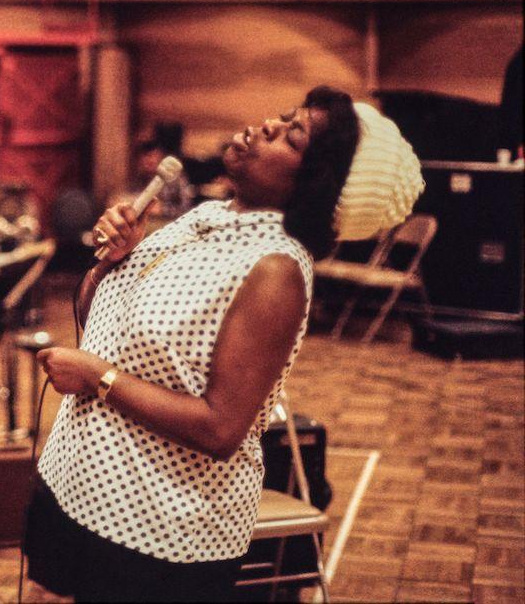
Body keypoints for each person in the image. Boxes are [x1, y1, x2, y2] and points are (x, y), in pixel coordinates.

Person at [25, 86, 424, 603]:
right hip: (78, 489)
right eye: (282, 116)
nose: (267, 125)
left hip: (153, 533)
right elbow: (101, 327)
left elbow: (220, 428)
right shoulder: (205, 218)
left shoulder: (275, 269)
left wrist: (97, 379)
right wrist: (112, 262)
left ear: (315, 184)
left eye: (292, 135)